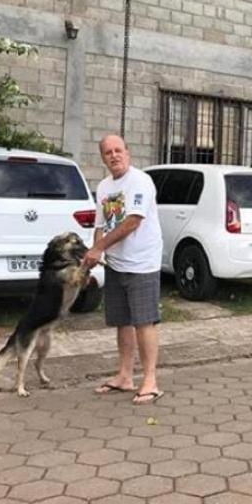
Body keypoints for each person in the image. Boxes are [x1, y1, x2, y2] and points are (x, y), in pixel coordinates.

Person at [83, 134, 164, 404]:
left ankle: (150, 380)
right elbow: (100, 225)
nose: (114, 156)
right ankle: (125, 376)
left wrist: (99, 248)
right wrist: (95, 255)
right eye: (108, 152)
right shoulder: (105, 186)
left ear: (128, 153)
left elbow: (132, 222)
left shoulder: (140, 181)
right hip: (116, 265)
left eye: (118, 150)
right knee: (122, 322)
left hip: (142, 264)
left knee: (144, 321)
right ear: (103, 158)